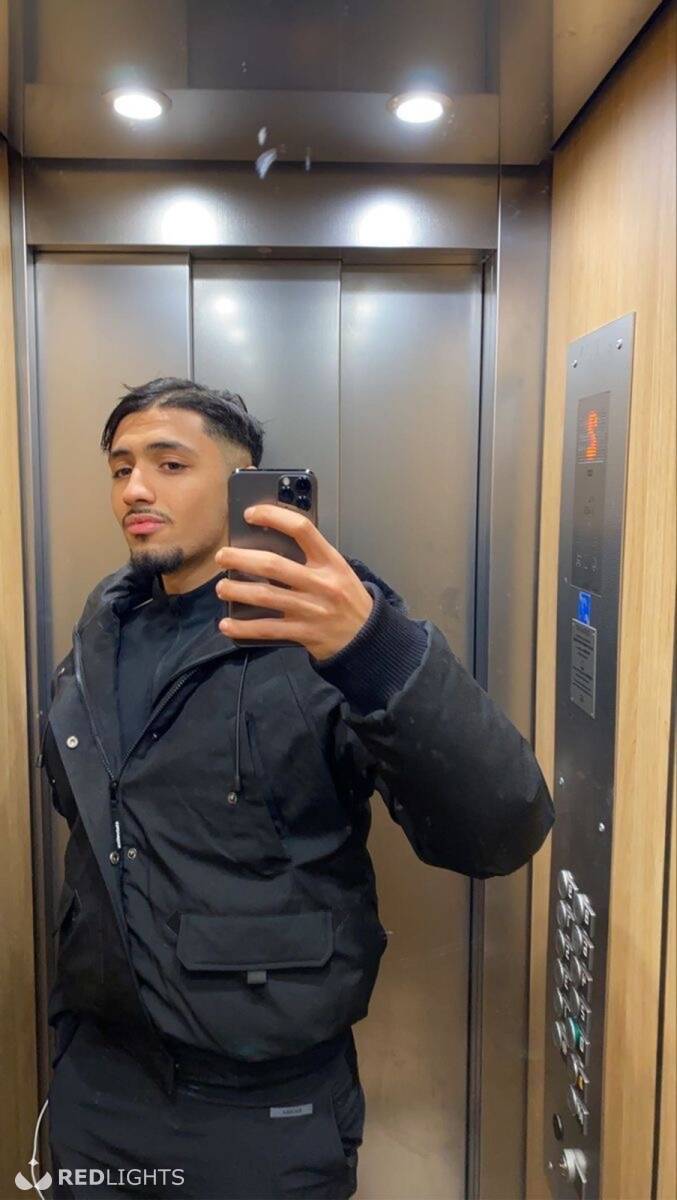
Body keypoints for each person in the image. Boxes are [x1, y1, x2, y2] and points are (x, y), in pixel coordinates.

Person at [40, 377, 554, 1199]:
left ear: (243, 483)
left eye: (170, 464)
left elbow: (499, 828)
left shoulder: (327, 629)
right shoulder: (103, 631)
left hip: (262, 1110)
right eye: (121, 467)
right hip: (99, 1090)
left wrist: (372, 650)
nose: (135, 488)